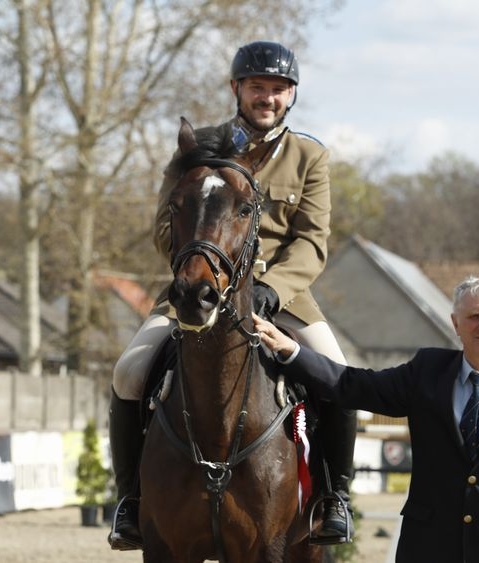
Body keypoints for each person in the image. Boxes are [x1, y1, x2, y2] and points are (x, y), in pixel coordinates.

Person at [107, 41, 357, 550]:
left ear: (291, 95)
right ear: (236, 89)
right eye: (257, 87)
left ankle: (334, 498)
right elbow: (165, 228)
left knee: (338, 374)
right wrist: (201, 270)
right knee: (128, 373)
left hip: (281, 297)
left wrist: (270, 289)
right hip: (198, 287)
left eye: (278, 89)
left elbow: (311, 243)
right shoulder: (197, 147)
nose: (268, 97)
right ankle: (130, 500)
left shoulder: (309, 156)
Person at [254, 275, 479, 563]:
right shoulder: (427, 372)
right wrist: (292, 352)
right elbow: (354, 386)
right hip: (427, 550)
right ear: (456, 323)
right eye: (474, 316)